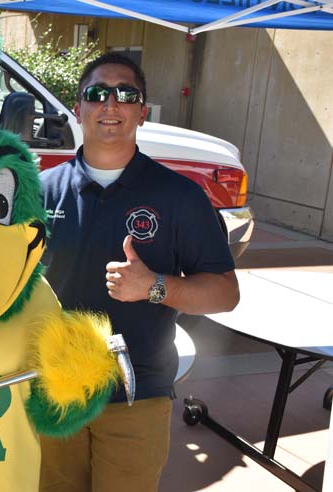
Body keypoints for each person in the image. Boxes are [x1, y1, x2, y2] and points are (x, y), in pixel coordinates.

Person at [38, 53, 240, 492]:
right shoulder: (38, 192)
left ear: (142, 112)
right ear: (78, 109)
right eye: (96, 93)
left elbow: (225, 293)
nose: (110, 104)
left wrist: (155, 287)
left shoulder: (180, 196)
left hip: (137, 395)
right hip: (55, 391)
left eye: (126, 94)